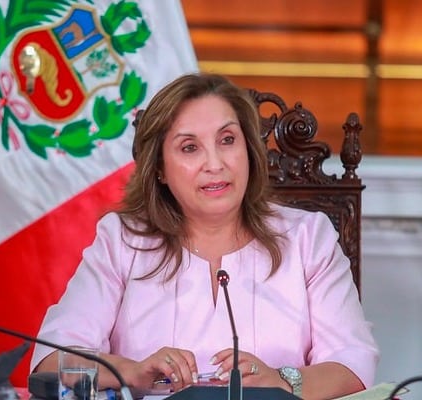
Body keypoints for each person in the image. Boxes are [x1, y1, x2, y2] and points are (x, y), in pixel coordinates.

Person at [30, 72, 379, 399]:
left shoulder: (308, 238)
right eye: (189, 147)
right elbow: (51, 362)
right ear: (160, 169)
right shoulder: (122, 240)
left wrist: (281, 381)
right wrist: (131, 372)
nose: (215, 164)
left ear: (249, 151)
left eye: (227, 140)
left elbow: (353, 364)